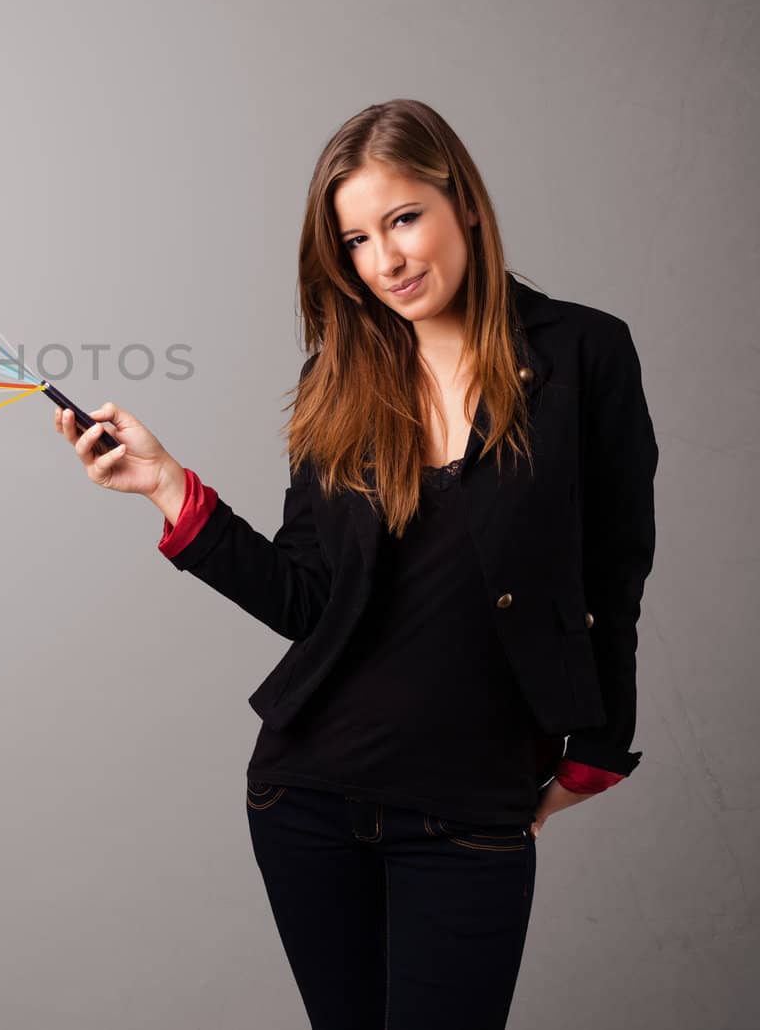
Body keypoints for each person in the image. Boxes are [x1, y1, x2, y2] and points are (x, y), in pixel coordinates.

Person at [50, 98, 657, 1030]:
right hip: (307, 798)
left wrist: (596, 753)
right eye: (358, 240)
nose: (388, 261)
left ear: (465, 206)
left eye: (405, 218)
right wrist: (167, 488)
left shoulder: (585, 356)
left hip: (469, 812)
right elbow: (309, 600)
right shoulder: (338, 377)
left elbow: (617, 567)